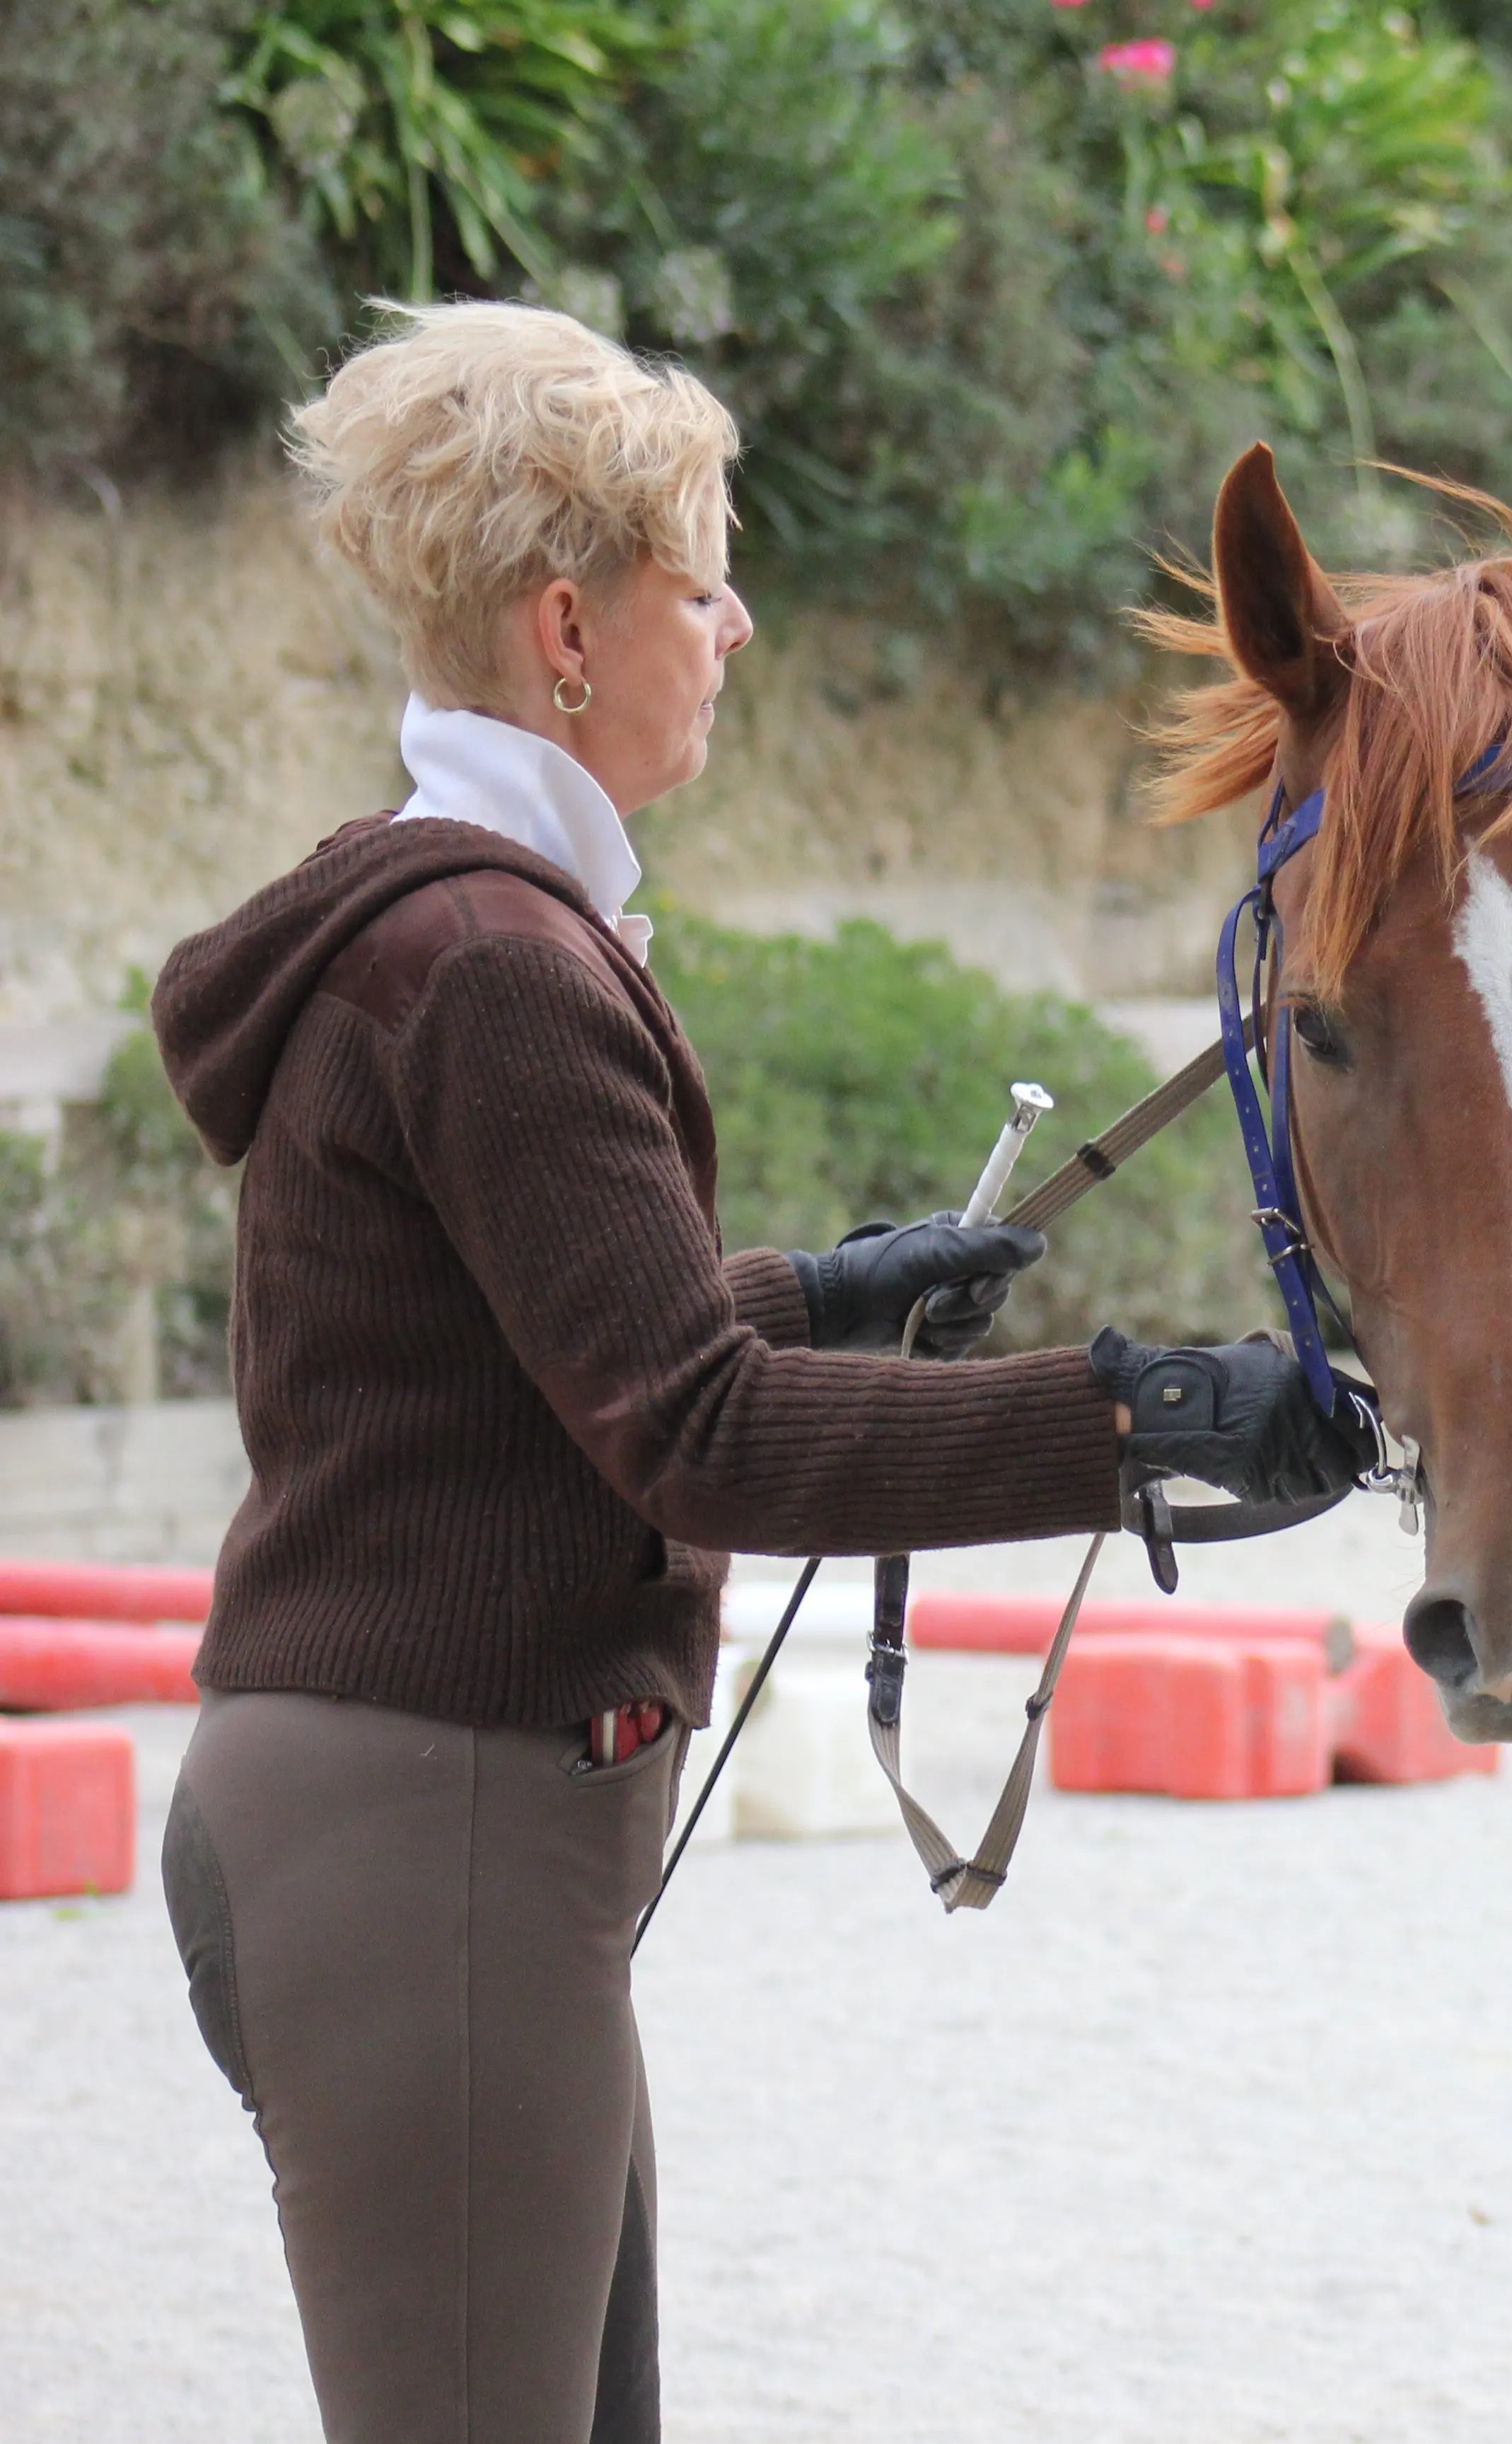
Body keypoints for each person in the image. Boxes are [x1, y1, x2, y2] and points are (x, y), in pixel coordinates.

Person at [144, 300, 1371, 2444]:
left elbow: (554, 1349)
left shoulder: (469, 931)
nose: (735, 627)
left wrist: (834, 1291)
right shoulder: (496, 968)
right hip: (431, 1843)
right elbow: (693, 1435)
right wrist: (1132, 1424)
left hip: (425, 1833)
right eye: (697, 584)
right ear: (566, 630)